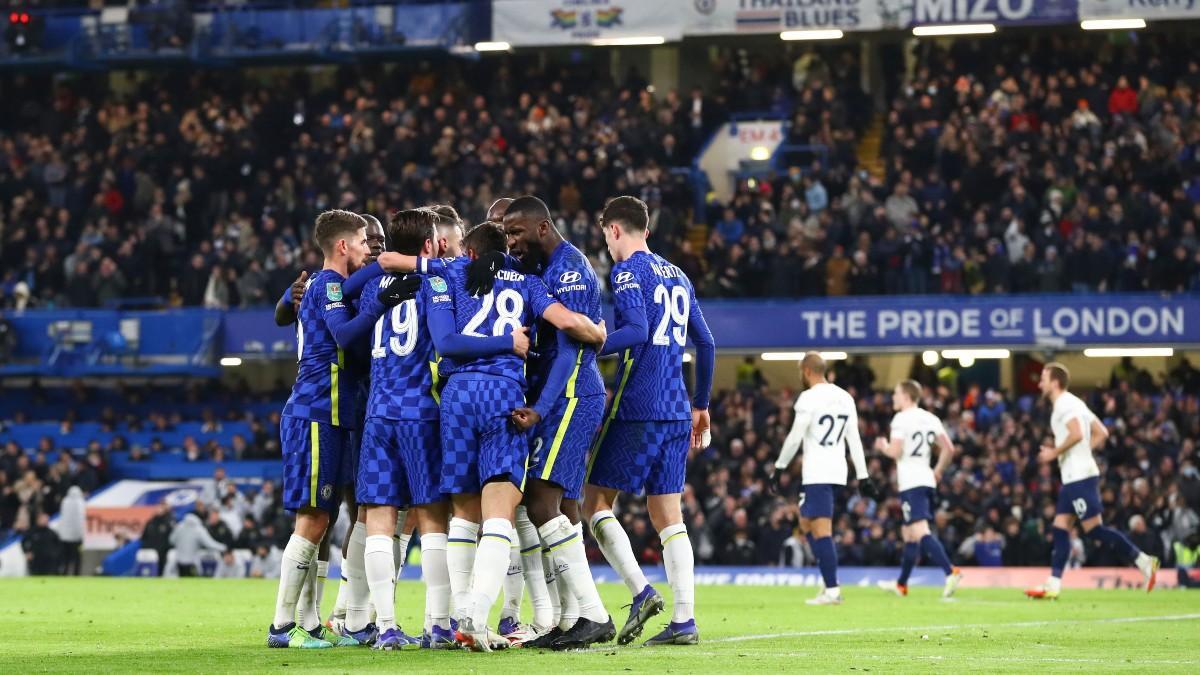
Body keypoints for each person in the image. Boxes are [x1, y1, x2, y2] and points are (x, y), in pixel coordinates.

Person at [354, 209, 526, 651]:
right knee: (432, 519)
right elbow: (449, 332)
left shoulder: (372, 285)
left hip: (378, 413)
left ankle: (387, 626)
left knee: (379, 520)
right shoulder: (436, 282)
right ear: (430, 245)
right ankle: (437, 624)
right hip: (420, 412)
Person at [432, 221, 606, 652]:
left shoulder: (446, 274)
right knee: (500, 511)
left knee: (464, 513)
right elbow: (564, 320)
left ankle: (459, 617)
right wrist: (598, 333)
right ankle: (479, 614)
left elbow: (444, 342)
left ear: (469, 252)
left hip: (456, 398)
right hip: (504, 398)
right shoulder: (528, 282)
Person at [583, 195, 716, 647]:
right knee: (668, 515)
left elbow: (637, 330)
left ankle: (641, 593)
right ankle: (684, 622)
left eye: (605, 235)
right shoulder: (678, 275)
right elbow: (707, 343)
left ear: (614, 230)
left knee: (594, 502)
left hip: (637, 404)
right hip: (677, 408)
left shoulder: (626, 272)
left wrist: (593, 343)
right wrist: (701, 404)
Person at [503, 196, 614, 649]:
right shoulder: (543, 269)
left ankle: (594, 614)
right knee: (565, 509)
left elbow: (569, 349)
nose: (510, 243)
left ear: (542, 227)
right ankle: (572, 619)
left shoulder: (568, 270)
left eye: (516, 233)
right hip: (562, 393)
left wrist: (543, 409)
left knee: (540, 503)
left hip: (570, 394)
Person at [267, 210, 379, 649]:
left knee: (322, 516)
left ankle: (310, 623)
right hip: (316, 411)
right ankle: (280, 626)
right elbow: (345, 335)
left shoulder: (316, 284)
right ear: (343, 246)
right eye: (365, 241)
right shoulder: (329, 285)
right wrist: (379, 302)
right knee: (313, 519)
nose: (369, 248)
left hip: (326, 414)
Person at [1026, 363, 1160, 599]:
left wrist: (1054, 453)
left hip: (1079, 477)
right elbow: (1101, 433)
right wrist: (1080, 454)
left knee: (1095, 530)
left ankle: (1143, 561)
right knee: (1059, 528)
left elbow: (1077, 433)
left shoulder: (1062, 405)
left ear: (1055, 382)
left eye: (1044, 379)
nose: (1040, 383)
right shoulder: (1076, 402)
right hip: (1074, 476)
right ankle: (1053, 583)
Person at [768, 352, 876, 606]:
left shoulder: (808, 398)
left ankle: (832, 589)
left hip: (818, 472)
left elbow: (795, 436)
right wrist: (863, 475)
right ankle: (828, 580)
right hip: (838, 472)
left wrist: (780, 467)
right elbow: (854, 439)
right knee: (805, 524)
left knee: (820, 529)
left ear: (806, 370)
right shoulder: (845, 397)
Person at [873, 380, 962, 598]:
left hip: (911, 481)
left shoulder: (901, 419)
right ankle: (902, 584)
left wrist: (882, 446)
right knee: (909, 534)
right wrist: (938, 470)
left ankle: (951, 571)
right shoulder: (930, 418)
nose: (893, 398)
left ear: (905, 396)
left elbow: (895, 452)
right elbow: (948, 448)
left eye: (895, 393)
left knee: (920, 530)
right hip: (925, 478)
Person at [170, 512, 227, 577]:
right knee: (193, 584)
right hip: (192, 562)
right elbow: (209, 543)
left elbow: (171, 540)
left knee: (181, 583)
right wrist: (223, 547)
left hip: (179, 561)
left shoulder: (179, 527)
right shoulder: (198, 529)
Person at [56, 485, 86, 576]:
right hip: (76, 536)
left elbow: (62, 518)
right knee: (77, 557)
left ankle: (64, 573)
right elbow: (81, 519)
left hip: (65, 536)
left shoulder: (65, 501)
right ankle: (76, 574)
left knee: (65, 557)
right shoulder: (80, 502)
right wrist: (82, 534)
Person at [140, 503, 175, 576]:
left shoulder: (168, 521)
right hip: (150, 550)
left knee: (161, 570)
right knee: (148, 570)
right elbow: (144, 536)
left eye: (161, 508)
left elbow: (172, 538)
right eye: (158, 507)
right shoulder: (150, 522)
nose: (159, 510)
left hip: (163, 551)